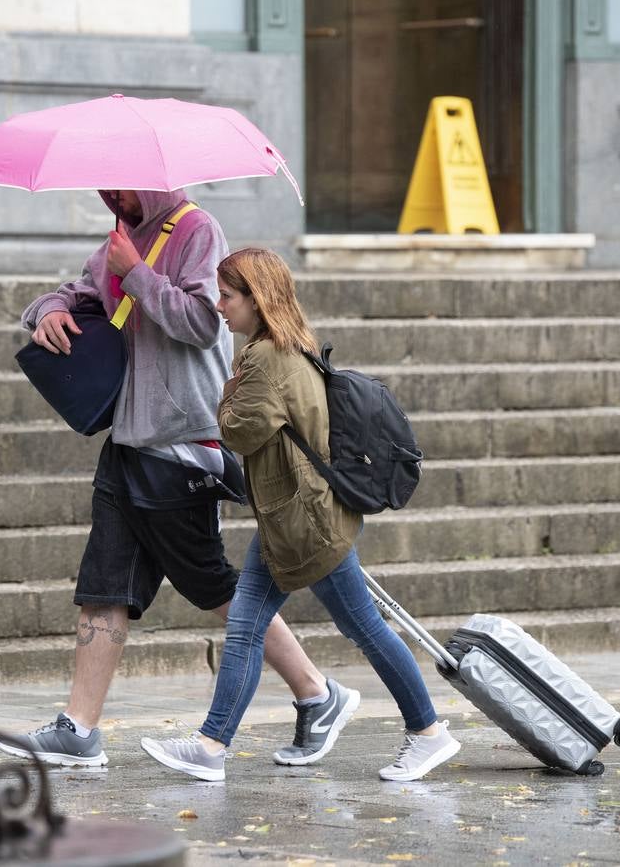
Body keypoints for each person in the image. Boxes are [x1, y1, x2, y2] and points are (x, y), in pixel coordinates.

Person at [0, 192, 356, 768]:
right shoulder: (123, 234)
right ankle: (79, 728)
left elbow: (200, 321)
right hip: (126, 438)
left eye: (121, 183)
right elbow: (80, 291)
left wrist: (136, 275)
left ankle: (318, 692)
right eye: (103, 185)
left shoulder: (197, 231)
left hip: (182, 443)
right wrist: (47, 311)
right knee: (103, 585)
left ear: (152, 177)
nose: (111, 194)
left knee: (212, 585)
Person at [140, 248, 461, 783]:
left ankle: (428, 733)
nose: (219, 307)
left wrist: (225, 394)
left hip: (303, 523)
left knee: (355, 628)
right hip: (297, 517)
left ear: (256, 299)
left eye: (227, 296)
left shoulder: (265, 357)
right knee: (263, 627)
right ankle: (211, 745)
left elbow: (239, 431)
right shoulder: (294, 343)